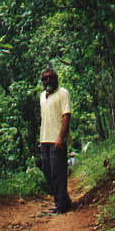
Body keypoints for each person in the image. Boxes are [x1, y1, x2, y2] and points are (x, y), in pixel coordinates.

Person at [39, 67, 73, 214]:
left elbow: (66, 116)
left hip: (57, 140)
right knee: (48, 172)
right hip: (44, 140)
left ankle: (61, 206)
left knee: (58, 173)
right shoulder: (42, 96)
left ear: (56, 78)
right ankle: (63, 201)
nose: (48, 80)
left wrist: (61, 137)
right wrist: (41, 141)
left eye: (51, 77)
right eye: (45, 78)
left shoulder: (63, 93)